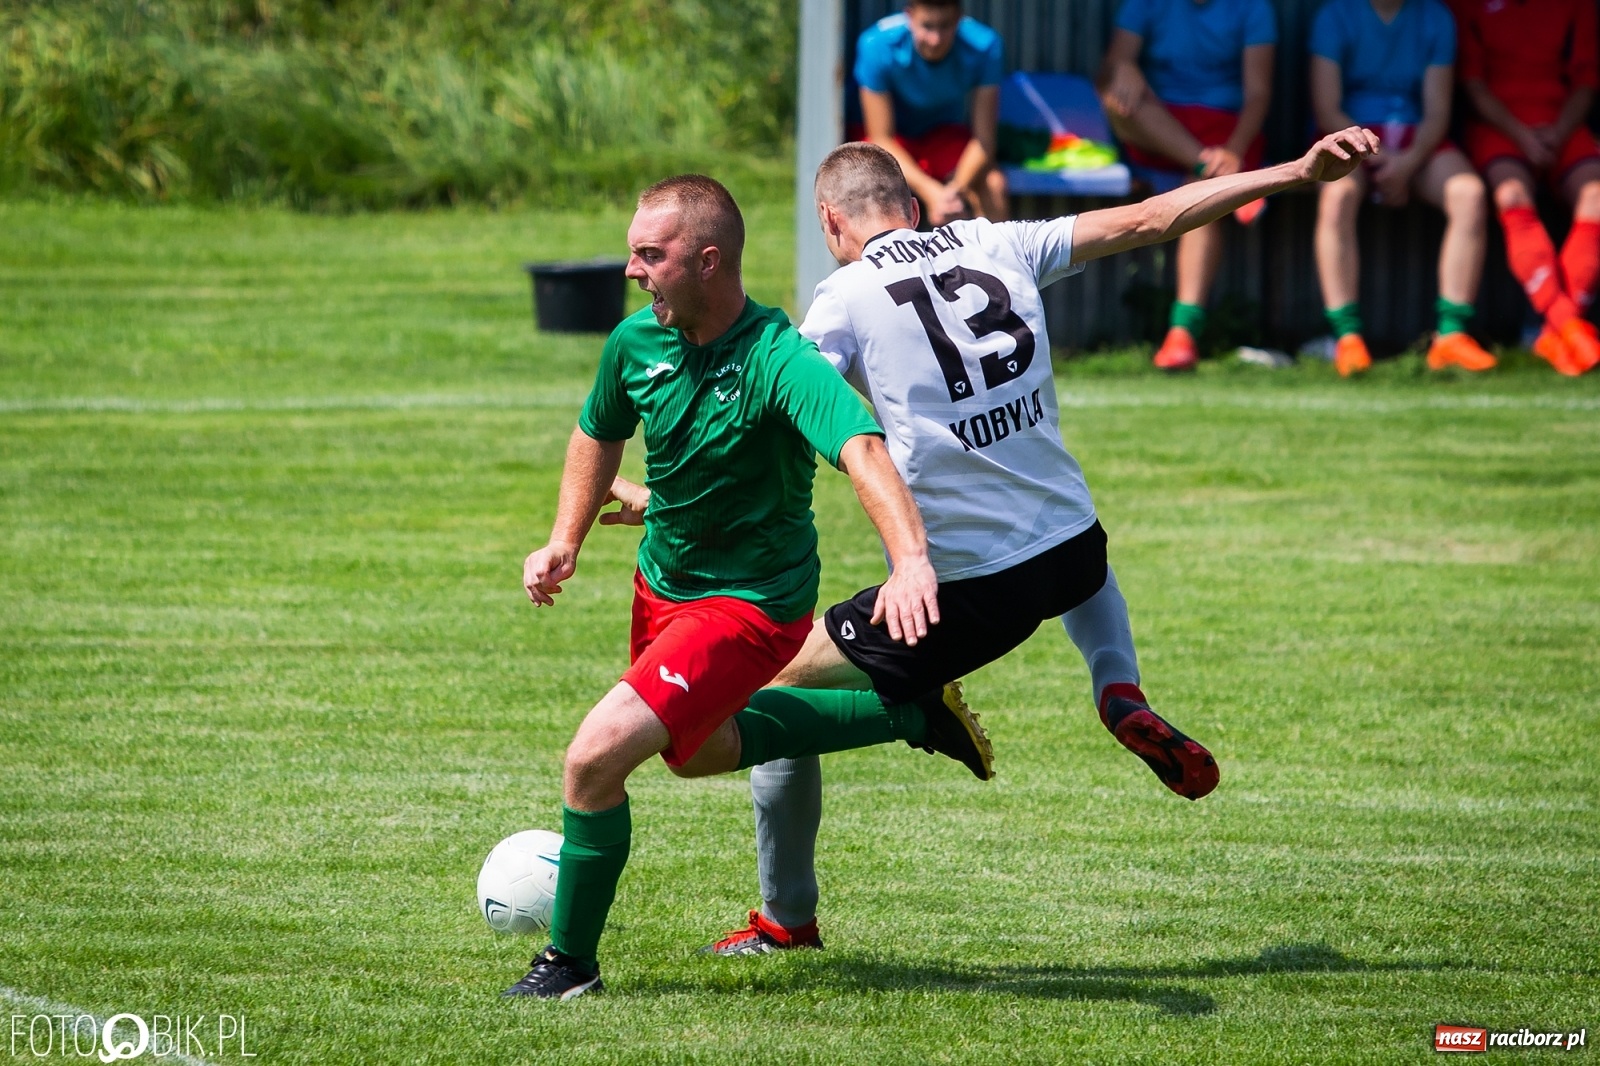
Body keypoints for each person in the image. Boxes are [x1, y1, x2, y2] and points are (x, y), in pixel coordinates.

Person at [697, 127, 1381, 956]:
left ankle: (790, 913)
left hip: (958, 591)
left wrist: (661, 492)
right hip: (1071, 554)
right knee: (1079, 554)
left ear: (833, 228)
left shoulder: (842, 297)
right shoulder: (999, 241)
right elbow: (1152, 218)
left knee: (762, 694)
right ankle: (1116, 684)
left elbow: (773, 410)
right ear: (912, 209)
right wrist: (1295, 169)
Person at [508, 174, 987, 1000]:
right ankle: (906, 707)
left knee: (593, 759)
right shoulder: (636, 343)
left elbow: (863, 449)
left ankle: (567, 965)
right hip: (664, 588)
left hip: (752, 606)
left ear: (708, 261)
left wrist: (910, 561)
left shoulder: (779, 359)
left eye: (649, 256)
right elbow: (598, 431)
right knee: (699, 756)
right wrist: (565, 540)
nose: (631, 269)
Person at [1309, 0, 1496, 376]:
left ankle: (1451, 337)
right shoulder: (1333, 16)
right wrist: (1375, 157)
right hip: (1348, 135)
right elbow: (1327, 108)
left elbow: (1437, 112)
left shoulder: (1437, 18)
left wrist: (1405, 164)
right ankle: (1347, 339)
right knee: (1337, 196)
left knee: (1469, 194)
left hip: (1417, 142)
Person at [1097, 0, 1278, 371]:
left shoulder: (1255, 9)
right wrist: (1124, 68)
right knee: (1119, 100)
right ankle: (1211, 172)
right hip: (1162, 131)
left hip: (1229, 136)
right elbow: (1107, 78)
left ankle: (1182, 335)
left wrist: (1235, 153)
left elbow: (1258, 94)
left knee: (1202, 202)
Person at [1454, 0, 1600, 376]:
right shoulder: (1468, 6)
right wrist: (1521, 134)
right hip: (1500, 126)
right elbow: (1473, 84)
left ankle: (1555, 332)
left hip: (1562, 124)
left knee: (1596, 196)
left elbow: (1586, 80)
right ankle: (1567, 323)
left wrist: (1559, 132)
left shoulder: (1577, 5)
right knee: (1511, 195)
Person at [854, 0, 1008, 226]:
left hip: (944, 136)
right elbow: (881, 138)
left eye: (945, 26)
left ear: (958, 19)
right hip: (894, 141)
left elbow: (984, 140)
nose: (936, 40)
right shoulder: (875, 45)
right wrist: (931, 193)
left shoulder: (985, 45)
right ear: (910, 16)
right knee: (869, 186)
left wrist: (954, 192)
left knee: (993, 184)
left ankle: (998, 261)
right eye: (927, 26)